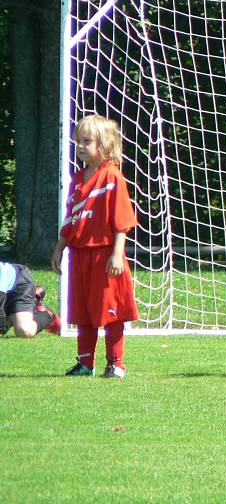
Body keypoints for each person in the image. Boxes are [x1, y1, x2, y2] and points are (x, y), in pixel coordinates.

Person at [51, 115, 138, 378]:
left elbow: (122, 221)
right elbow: (70, 219)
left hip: (105, 254)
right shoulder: (77, 179)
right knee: (84, 312)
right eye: (78, 140)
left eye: (86, 141)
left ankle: (116, 363)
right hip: (80, 255)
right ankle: (85, 363)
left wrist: (116, 254)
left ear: (103, 145)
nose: (79, 146)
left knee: (111, 312)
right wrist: (59, 248)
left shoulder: (112, 177)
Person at [0, 262, 60, 337]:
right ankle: (15, 315)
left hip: (20, 284)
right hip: (6, 290)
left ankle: (47, 314)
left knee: (24, 330)